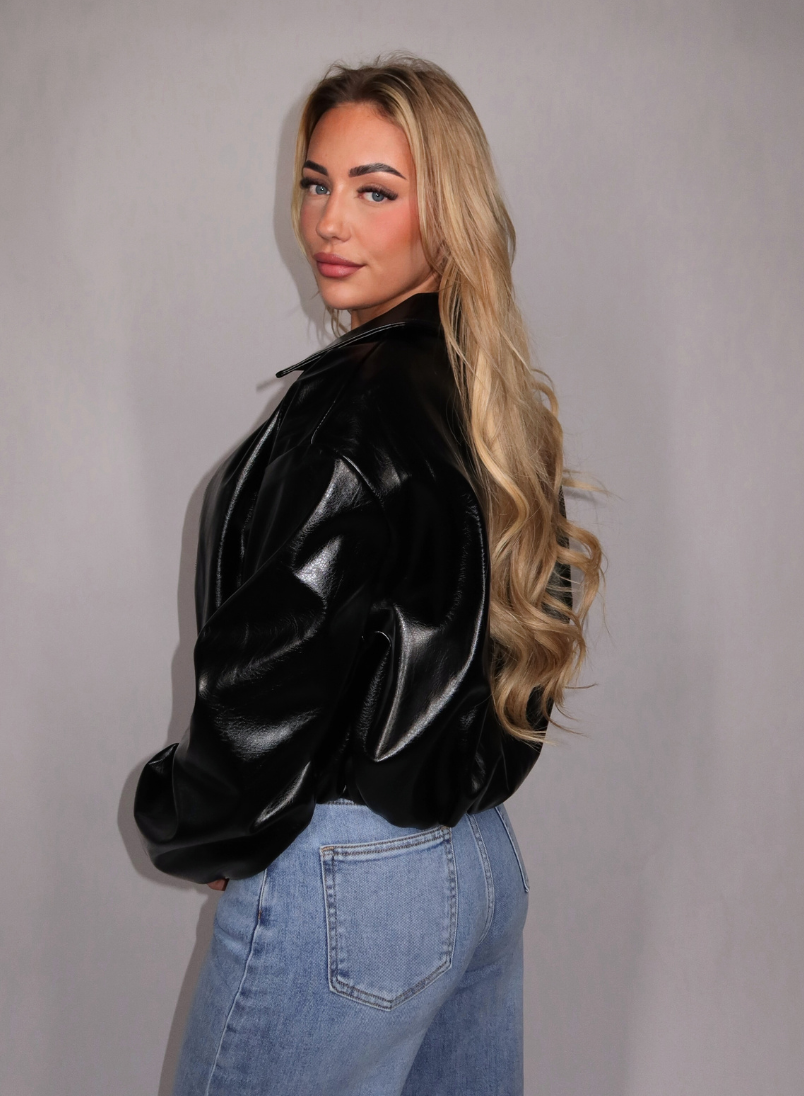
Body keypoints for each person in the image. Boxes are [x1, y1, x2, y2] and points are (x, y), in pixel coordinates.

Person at [134, 54, 602, 1096]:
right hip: (478, 867)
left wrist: (185, 817)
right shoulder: (491, 397)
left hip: (348, 890)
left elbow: (269, 689)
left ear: (448, 211)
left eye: (375, 190)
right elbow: (521, 649)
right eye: (316, 183)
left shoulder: (346, 415)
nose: (329, 222)